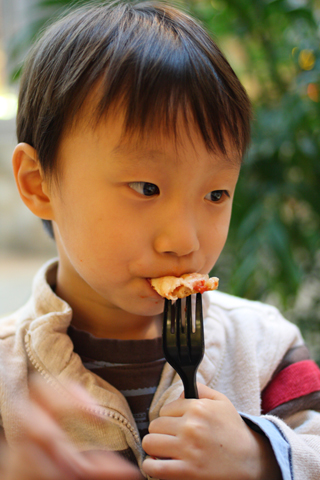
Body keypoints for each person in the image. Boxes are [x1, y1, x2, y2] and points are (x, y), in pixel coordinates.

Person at [2, 1, 320, 479]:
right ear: (38, 183)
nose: (184, 240)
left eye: (216, 193)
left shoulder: (264, 347)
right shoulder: (9, 379)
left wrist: (261, 458)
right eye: (147, 188)